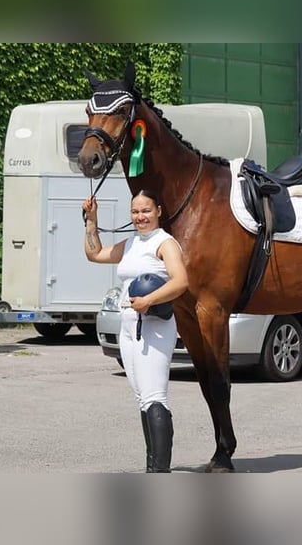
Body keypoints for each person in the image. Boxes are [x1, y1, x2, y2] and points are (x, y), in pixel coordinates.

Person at [82, 190, 189, 472]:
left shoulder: (165, 243)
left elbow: (181, 282)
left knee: (154, 396)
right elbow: (95, 254)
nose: (140, 217)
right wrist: (91, 221)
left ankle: (159, 472)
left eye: (146, 211)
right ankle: (152, 467)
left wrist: (149, 300)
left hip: (154, 324)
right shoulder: (131, 244)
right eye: (135, 212)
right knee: (142, 396)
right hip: (128, 324)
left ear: (158, 211)